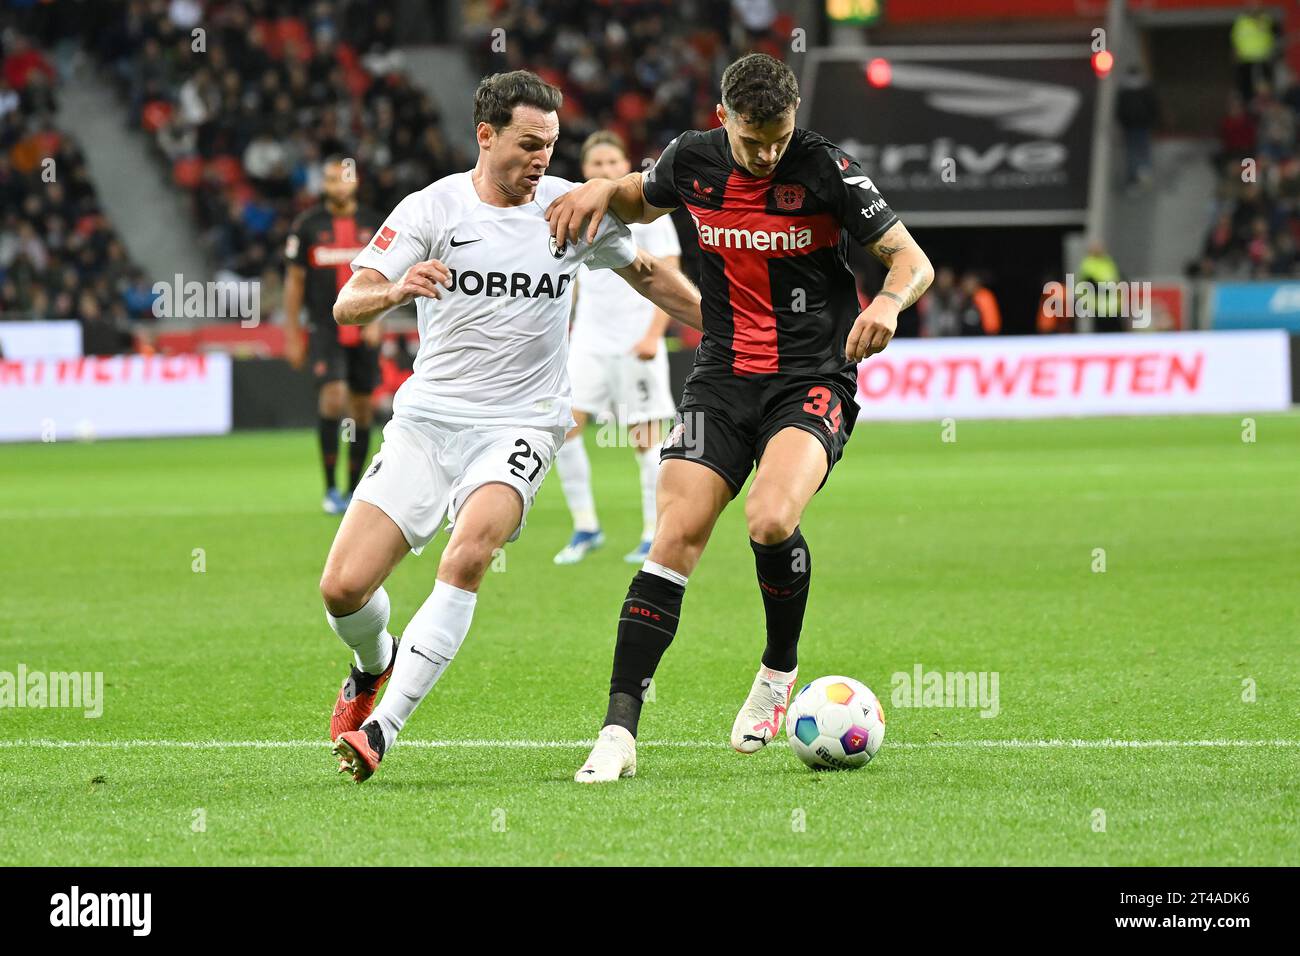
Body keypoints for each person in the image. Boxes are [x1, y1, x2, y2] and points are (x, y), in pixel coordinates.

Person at [546, 53, 933, 782]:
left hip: (811, 378)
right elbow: (633, 196)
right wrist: (598, 188)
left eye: (779, 138)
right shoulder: (691, 161)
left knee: (769, 520)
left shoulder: (827, 170)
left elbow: (911, 260)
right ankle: (618, 733)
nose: (767, 154)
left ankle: (777, 673)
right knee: (674, 537)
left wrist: (887, 300)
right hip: (720, 378)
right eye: (754, 140)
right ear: (723, 118)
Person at [322, 70, 704, 783]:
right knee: (342, 589)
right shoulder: (431, 208)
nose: (541, 160)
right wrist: (397, 289)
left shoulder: (570, 209)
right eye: (529, 145)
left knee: (468, 553)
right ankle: (372, 665)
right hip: (428, 423)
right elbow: (349, 302)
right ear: (486, 135)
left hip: (521, 425)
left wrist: (736, 330)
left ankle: (383, 728)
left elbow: (651, 275)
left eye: (551, 146)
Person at [553, 131, 682, 566]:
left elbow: (670, 279)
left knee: (645, 439)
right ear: (584, 171)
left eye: (612, 163)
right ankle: (586, 526)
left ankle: (652, 533)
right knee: (564, 428)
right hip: (589, 339)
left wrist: (652, 335)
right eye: (597, 164)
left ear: (624, 165)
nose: (605, 171)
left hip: (636, 340)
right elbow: (568, 280)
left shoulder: (651, 216)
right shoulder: (573, 210)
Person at [283, 156, 385, 513]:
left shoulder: (374, 223)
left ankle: (353, 490)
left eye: (342, 179)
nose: (336, 186)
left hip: (365, 327)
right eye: (329, 180)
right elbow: (294, 283)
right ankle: (330, 489)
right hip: (325, 328)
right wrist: (293, 334)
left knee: (361, 408)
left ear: (355, 182)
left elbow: (388, 275)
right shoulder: (307, 226)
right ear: (322, 185)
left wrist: (378, 318)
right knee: (333, 398)